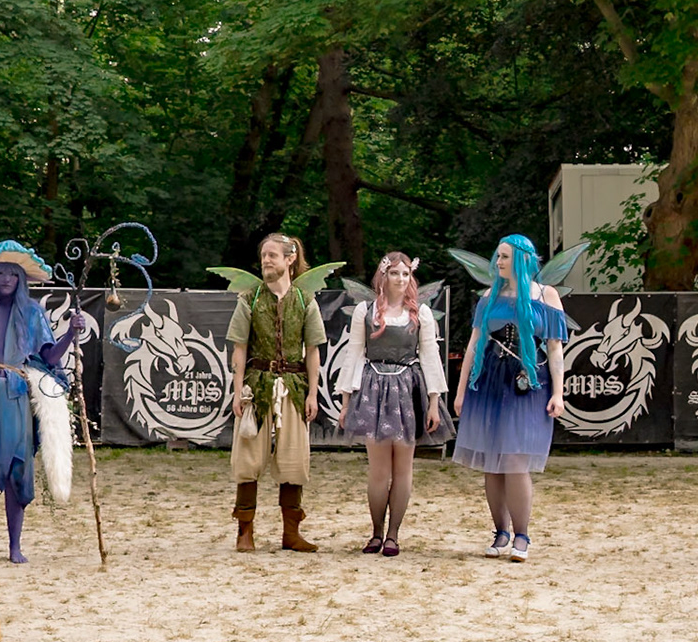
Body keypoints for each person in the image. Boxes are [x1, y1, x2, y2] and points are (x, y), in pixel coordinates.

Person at [0, 241, 82, 565]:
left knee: (18, 469)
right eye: (0, 272)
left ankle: (15, 546)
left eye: (13, 274)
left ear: (21, 280)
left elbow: (49, 356)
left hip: (15, 394)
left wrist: (71, 333)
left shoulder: (32, 313)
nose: (6, 279)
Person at [451, 234, 567, 561]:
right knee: (492, 461)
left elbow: (556, 349)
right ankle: (500, 532)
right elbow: (474, 345)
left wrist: (558, 393)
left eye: (504, 256)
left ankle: (522, 536)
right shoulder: (489, 297)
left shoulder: (547, 296)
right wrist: (461, 392)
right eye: (497, 256)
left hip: (529, 381)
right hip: (490, 380)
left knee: (516, 461)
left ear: (522, 258)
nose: (498, 262)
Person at [336, 252, 448, 556]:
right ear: (383, 276)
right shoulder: (366, 311)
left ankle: (393, 535)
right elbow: (354, 354)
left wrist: (434, 402)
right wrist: (346, 401)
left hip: (407, 390)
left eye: (405, 274)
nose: (400, 279)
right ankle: (375, 532)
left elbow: (430, 358)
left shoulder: (420, 313)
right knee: (378, 470)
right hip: (373, 389)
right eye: (394, 273)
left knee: (403, 468)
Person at [227, 233, 327, 553]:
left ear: (290, 259)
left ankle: (291, 533)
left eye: (273, 255)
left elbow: (312, 351)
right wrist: (237, 389)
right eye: (263, 256)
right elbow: (239, 348)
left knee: (294, 460)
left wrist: (312, 393)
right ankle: (245, 531)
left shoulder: (304, 301)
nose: (266, 260)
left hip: (294, 389)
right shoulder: (251, 299)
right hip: (256, 387)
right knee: (248, 458)